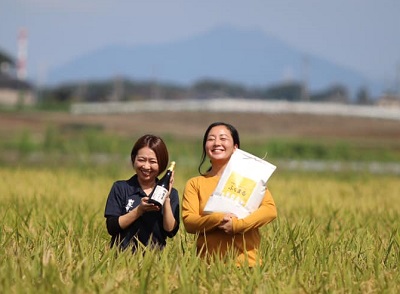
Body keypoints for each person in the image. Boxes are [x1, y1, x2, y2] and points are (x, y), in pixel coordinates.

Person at [181, 122, 277, 267]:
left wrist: (238, 226)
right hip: (207, 266)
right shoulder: (195, 184)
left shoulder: (249, 178)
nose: (216, 143)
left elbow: (269, 210)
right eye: (211, 139)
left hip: (247, 265)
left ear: (235, 148)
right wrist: (219, 219)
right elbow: (189, 222)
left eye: (223, 138)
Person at [104, 134, 180, 251]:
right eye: (141, 160)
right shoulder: (121, 188)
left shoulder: (172, 194)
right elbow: (112, 227)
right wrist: (139, 210)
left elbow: (170, 231)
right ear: (134, 159)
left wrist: (166, 199)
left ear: (162, 164)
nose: (146, 166)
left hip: (155, 263)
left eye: (152, 161)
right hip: (120, 260)